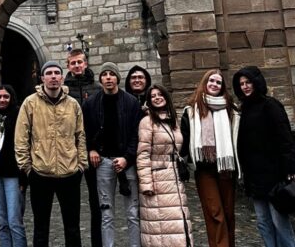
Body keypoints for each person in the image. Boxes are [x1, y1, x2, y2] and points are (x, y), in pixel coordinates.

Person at [15, 61, 87, 247]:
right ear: (42, 78)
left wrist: (81, 166)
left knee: (72, 227)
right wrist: (27, 168)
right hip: (40, 173)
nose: (53, 76)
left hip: (70, 173)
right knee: (41, 228)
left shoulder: (73, 105)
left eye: (57, 73)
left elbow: (80, 136)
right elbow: (21, 138)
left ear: (62, 78)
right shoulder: (30, 103)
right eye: (49, 73)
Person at [233, 66, 295, 247]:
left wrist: (290, 168)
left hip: (274, 174)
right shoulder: (245, 108)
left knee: (279, 221)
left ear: (256, 82)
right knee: (263, 221)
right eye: (242, 84)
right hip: (255, 176)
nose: (245, 87)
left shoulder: (270, 105)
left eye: (248, 82)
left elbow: (285, 138)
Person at [82, 62, 141, 247]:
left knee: (133, 213)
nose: (108, 77)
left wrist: (127, 158)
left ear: (117, 78)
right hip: (104, 163)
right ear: (100, 79)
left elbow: (136, 134)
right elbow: (85, 131)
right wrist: (91, 148)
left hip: (126, 162)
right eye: (105, 74)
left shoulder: (131, 102)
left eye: (112, 74)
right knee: (106, 213)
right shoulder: (91, 103)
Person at [181, 69, 240, 247]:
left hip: (226, 168)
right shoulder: (191, 111)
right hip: (204, 169)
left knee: (228, 213)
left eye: (218, 82)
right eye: (211, 81)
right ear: (205, 83)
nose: (214, 84)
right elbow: (183, 138)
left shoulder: (232, 110)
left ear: (222, 87)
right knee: (215, 213)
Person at [137, 84, 193, 247]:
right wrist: (146, 183)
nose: (157, 97)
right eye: (153, 96)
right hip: (157, 181)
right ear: (149, 101)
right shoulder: (147, 122)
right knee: (160, 227)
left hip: (174, 178)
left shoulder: (173, 120)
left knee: (178, 223)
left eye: (160, 94)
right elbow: (143, 154)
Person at [63, 48, 101, 247]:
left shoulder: (96, 88)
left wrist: (93, 147)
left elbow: (99, 122)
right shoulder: (63, 91)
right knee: (71, 205)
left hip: (93, 153)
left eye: (80, 62)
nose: (77, 66)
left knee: (96, 203)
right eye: (73, 63)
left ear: (85, 63)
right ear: (68, 66)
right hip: (70, 154)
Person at [0, 85, 28, 247]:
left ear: (12, 98)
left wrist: (23, 179)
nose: (2, 100)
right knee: (2, 221)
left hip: (13, 174)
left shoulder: (19, 116)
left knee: (14, 221)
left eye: (6, 97)